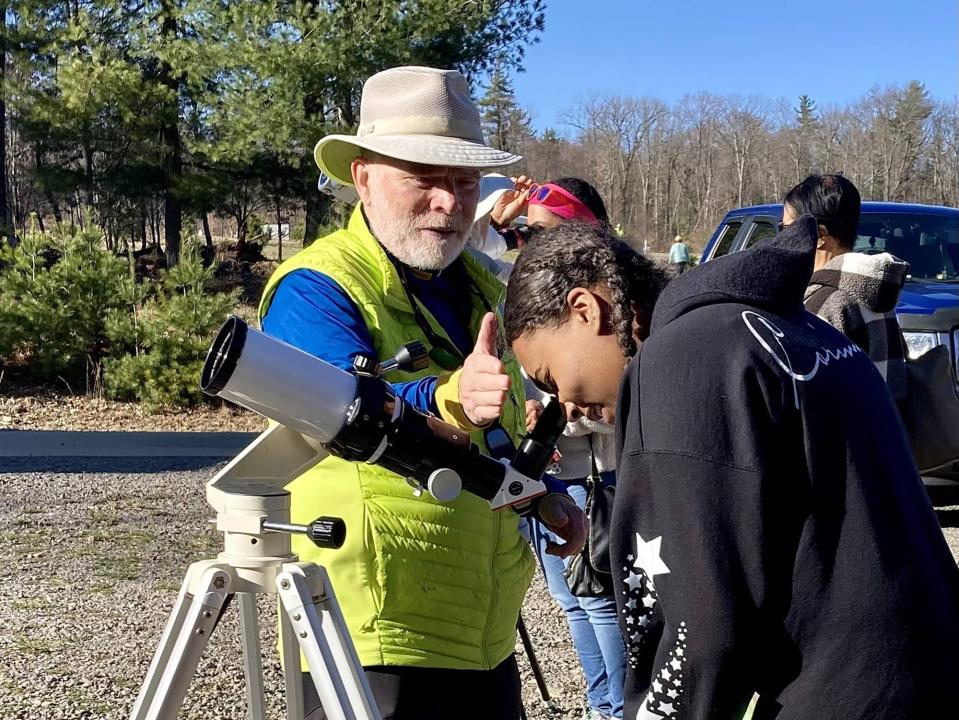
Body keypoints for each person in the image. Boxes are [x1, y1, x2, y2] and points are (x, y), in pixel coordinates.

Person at [503, 221, 959, 719]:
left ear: (585, 311)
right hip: (921, 666)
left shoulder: (680, 360)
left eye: (550, 375)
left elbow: (702, 624)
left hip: (842, 693)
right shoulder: (790, 328)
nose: (563, 401)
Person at [259, 66, 586, 720]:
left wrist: (538, 491)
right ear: (363, 178)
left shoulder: (483, 285)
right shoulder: (313, 288)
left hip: (482, 634)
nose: (448, 202)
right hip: (372, 641)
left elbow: (501, 434)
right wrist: (446, 399)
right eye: (423, 179)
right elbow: (338, 407)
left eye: (463, 183)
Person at [510, 177, 628, 720]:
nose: (532, 244)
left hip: (593, 476)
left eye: (543, 232)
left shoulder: (610, 304)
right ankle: (598, 700)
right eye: (524, 233)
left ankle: (621, 707)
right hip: (545, 476)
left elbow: (607, 407)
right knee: (570, 601)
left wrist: (557, 419)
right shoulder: (530, 290)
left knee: (601, 600)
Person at [781, 174, 908, 399]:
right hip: (889, 429)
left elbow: (812, 396)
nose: (781, 238)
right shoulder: (874, 290)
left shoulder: (825, 302)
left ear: (820, 236)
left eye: (786, 228)